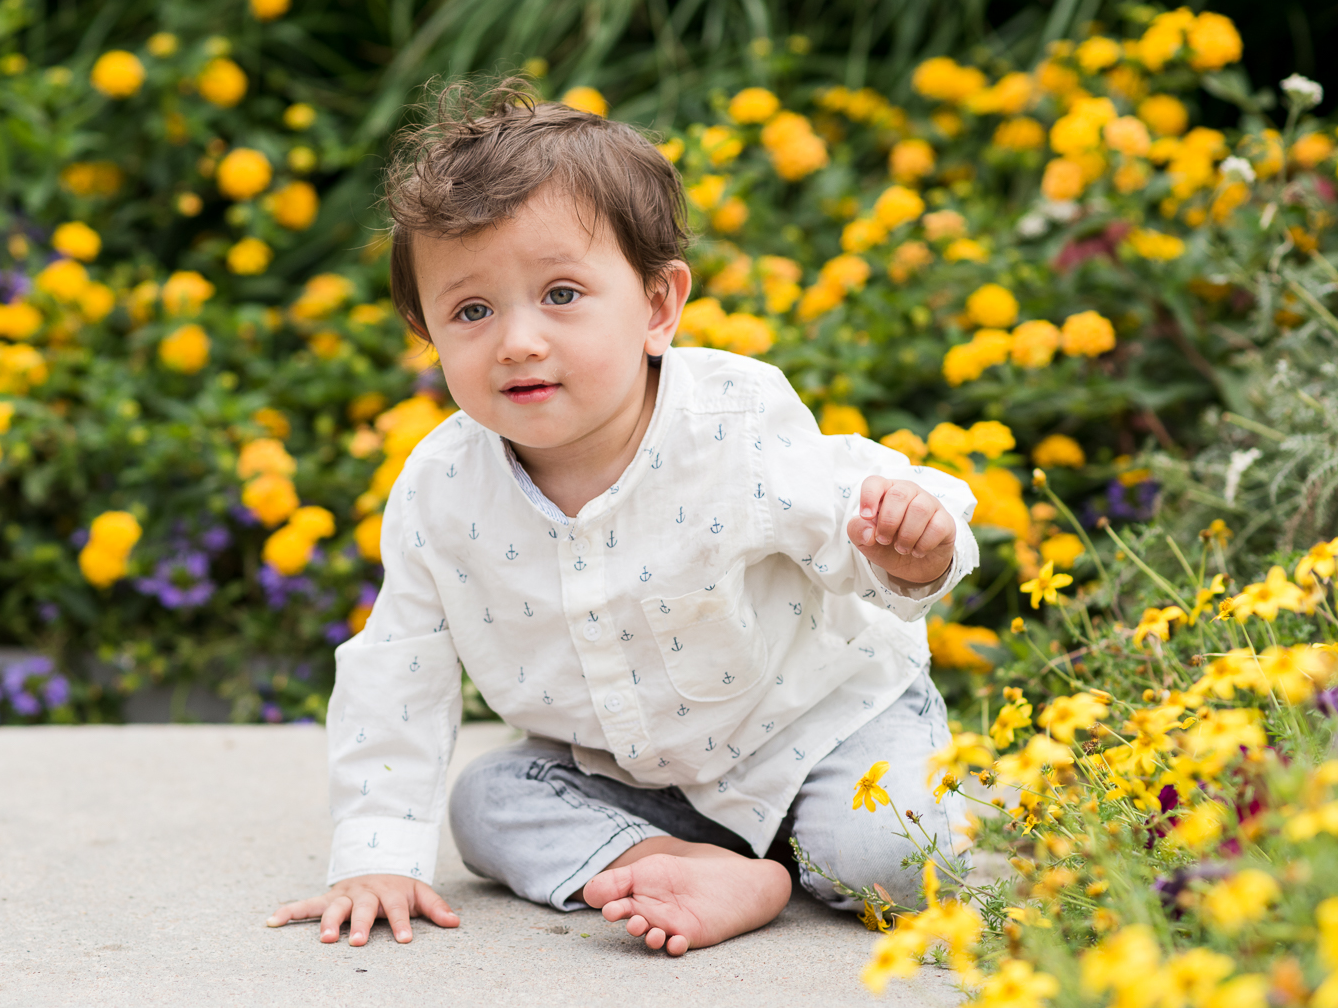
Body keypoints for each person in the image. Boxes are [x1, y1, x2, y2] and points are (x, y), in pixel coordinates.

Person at [269, 80, 979, 955]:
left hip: (822, 728)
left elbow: (854, 524)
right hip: (640, 780)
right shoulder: (442, 486)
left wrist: (911, 550)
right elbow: (399, 665)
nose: (518, 340)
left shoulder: (732, 420)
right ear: (428, 333)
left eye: (561, 294)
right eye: (472, 311)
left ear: (656, 306)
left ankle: (799, 844)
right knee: (487, 803)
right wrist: (375, 855)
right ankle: (694, 863)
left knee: (891, 861)